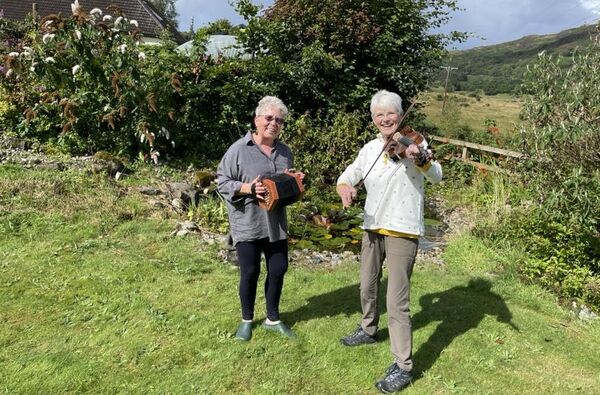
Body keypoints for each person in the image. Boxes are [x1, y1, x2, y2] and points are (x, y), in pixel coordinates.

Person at [336, 90, 442, 393]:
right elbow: (352, 173)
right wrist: (345, 186)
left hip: (402, 229)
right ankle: (368, 329)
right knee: (367, 285)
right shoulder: (370, 148)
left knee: (397, 301)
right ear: (373, 119)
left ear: (400, 115)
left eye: (391, 113)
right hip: (372, 226)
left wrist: (419, 158)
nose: (385, 119)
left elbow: (436, 175)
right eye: (379, 114)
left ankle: (403, 366)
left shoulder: (415, 144)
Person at [217, 96, 304, 341]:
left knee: (279, 268)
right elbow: (222, 182)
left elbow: (283, 188)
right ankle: (246, 320)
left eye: (279, 120)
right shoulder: (238, 150)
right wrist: (248, 188)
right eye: (269, 118)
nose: (274, 123)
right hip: (247, 222)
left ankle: (272, 319)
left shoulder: (285, 152)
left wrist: (294, 182)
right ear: (257, 120)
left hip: (275, 224)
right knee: (250, 271)